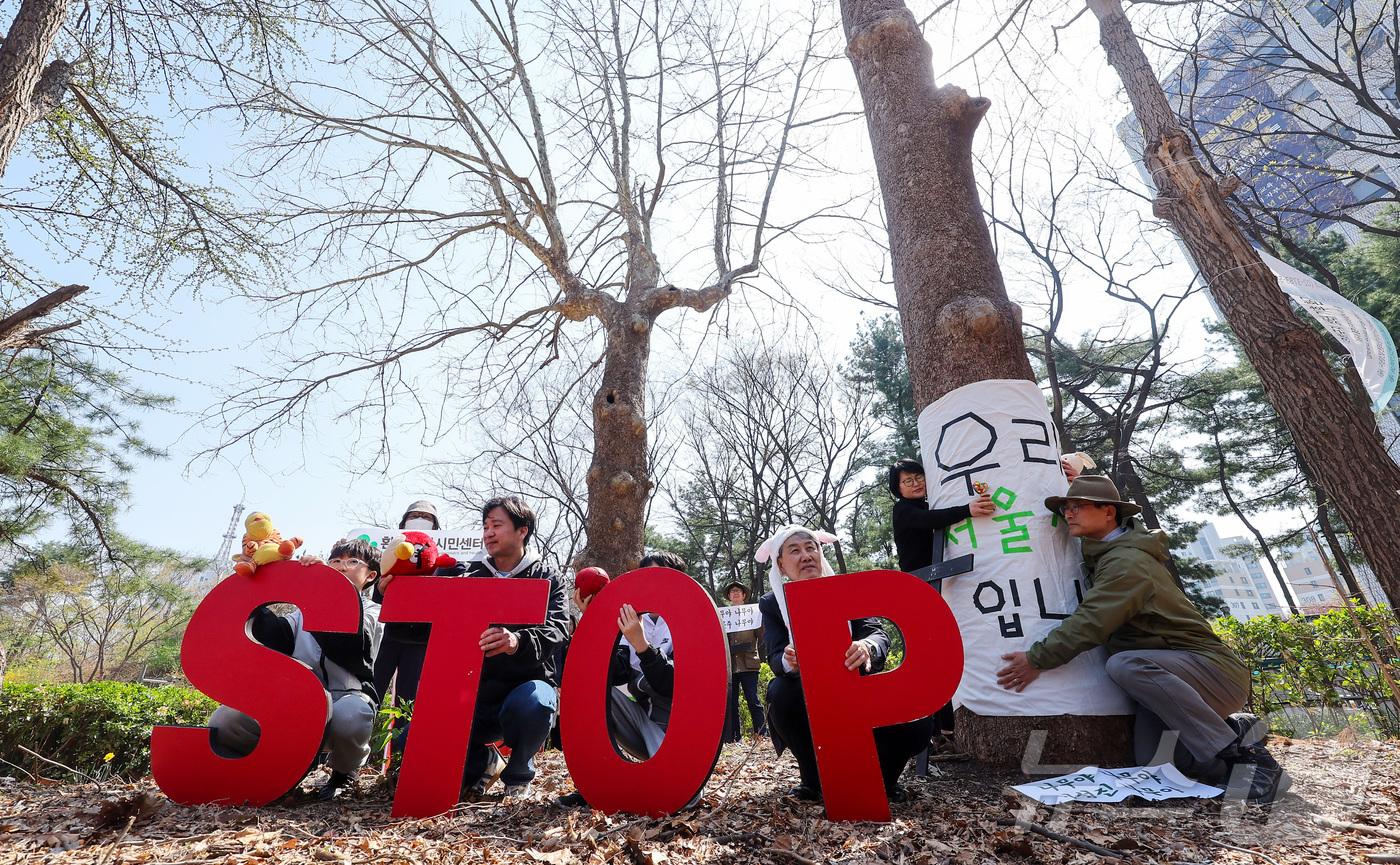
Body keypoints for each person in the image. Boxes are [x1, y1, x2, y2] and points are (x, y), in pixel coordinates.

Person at [995, 476, 1292, 804]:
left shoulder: (1127, 561)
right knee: (1159, 765)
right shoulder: (1107, 555)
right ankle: (1238, 730)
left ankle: (1250, 759)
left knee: (1125, 663)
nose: (1069, 513)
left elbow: (1092, 621)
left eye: (1078, 506)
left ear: (1109, 512)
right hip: (1170, 677)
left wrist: (1037, 658)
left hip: (1212, 672)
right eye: (1067, 507)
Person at [758, 525, 933, 804]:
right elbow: (776, 657)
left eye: (811, 547)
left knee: (918, 716)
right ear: (780, 564)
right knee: (779, 692)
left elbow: (878, 633)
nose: (806, 556)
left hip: (859, 685)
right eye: (795, 550)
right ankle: (813, 781)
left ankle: (885, 781)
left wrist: (866, 647)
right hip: (809, 695)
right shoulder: (771, 604)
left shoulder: (848, 590)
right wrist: (790, 660)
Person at [207, 538, 384, 800]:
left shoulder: (374, 612)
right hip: (297, 697)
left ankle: (343, 774)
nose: (342, 567)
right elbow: (270, 635)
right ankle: (264, 772)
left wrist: (326, 592)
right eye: (335, 561)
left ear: (370, 575)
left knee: (351, 716)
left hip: (346, 696)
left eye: (352, 562)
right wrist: (253, 581)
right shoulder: (301, 613)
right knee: (227, 719)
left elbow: (352, 648)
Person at [423, 496, 568, 800]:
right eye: (485, 526)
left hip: (525, 689)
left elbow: (557, 631)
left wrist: (518, 642)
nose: (488, 533)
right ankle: (483, 763)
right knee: (417, 737)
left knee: (536, 703)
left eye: (497, 525)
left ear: (522, 531)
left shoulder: (548, 577)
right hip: (472, 692)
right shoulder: (467, 574)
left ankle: (519, 772)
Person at [556, 551, 682, 809]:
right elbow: (613, 673)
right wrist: (594, 618)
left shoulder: (690, 619)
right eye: (646, 576)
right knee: (593, 693)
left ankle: (672, 781)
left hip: (680, 735)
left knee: (680, 799)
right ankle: (593, 785)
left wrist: (644, 648)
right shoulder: (635, 619)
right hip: (643, 723)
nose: (652, 583)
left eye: (660, 575)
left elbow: (672, 685)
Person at [372, 500, 445, 729]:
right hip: (387, 636)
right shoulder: (390, 556)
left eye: (426, 517)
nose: (420, 519)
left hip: (421, 640)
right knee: (371, 691)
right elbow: (375, 598)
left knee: (409, 701)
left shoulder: (445, 562)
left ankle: (401, 756)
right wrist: (384, 591)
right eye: (414, 516)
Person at [721, 580, 765, 743]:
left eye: (738, 590)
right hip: (730, 666)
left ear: (744, 595)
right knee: (732, 704)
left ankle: (762, 735)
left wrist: (761, 620)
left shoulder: (753, 613)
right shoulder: (723, 616)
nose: (735, 593)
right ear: (729, 597)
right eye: (732, 591)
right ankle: (734, 738)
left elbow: (762, 637)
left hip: (749, 663)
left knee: (754, 701)